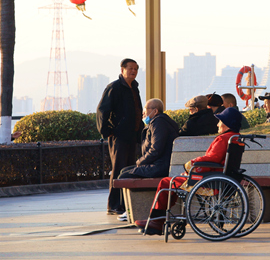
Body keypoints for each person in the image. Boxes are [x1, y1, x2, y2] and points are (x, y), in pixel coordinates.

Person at [134, 107, 243, 236]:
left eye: (220, 121)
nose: (218, 124)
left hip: (209, 179)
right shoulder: (236, 138)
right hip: (219, 177)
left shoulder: (223, 138)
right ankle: (157, 221)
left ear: (226, 124)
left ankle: (156, 221)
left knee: (166, 182)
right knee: (173, 182)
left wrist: (192, 164)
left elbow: (212, 159)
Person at [96, 58, 144, 216]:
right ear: (122, 70)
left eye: (136, 69)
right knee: (118, 170)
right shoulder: (114, 87)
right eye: (130, 68)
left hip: (132, 135)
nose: (133, 71)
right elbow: (103, 110)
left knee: (129, 170)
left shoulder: (135, 87)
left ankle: (126, 204)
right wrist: (107, 130)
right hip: (119, 136)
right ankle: (114, 205)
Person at [118, 99, 179, 179]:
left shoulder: (159, 123)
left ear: (155, 111)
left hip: (160, 166)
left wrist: (140, 161)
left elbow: (156, 150)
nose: (143, 113)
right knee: (123, 171)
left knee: (123, 176)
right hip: (157, 164)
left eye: (145, 110)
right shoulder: (157, 122)